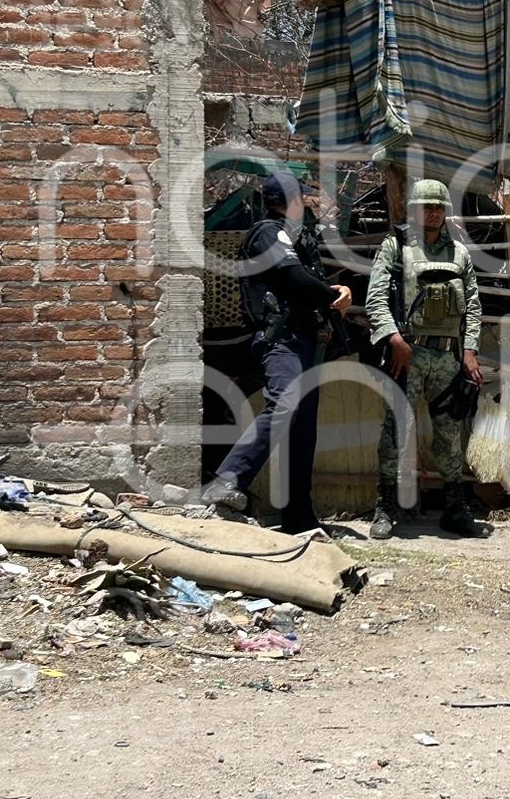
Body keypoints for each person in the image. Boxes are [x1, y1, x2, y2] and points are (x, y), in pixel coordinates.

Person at [199, 172, 352, 532]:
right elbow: (295, 280)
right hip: (282, 340)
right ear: (292, 199)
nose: (307, 204)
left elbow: (306, 281)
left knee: (302, 430)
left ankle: (300, 518)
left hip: (305, 341)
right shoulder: (268, 233)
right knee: (286, 404)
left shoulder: (295, 236)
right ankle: (228, 479)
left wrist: (335, 293)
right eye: (303, 197)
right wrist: (333, 295)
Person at [365, 178, 483, 539]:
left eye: (438, 207)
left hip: (448, 358)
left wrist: (470, 350)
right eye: (426, 207)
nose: (433, 213)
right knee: (396, 430)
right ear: (413, 210)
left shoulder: (459, 253)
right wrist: (394, 339)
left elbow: (473, 306)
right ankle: (385, 508)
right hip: (408, 354)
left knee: (449, 433)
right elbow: (375, 298)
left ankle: (455, 510)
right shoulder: (394, 247)